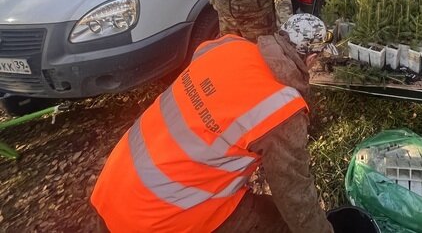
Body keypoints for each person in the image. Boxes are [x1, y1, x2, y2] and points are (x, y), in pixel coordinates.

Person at [91, 14, 337, 233]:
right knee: (279, 223)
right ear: (312, 59)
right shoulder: (282, 108)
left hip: (114, 187)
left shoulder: (227, 46)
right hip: (158, 218)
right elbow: (294, 195)